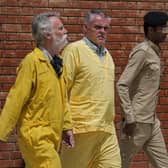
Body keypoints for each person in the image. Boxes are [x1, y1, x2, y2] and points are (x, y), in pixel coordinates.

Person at [0, 12, 74, 168]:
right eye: (60, 28)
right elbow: (16, 98)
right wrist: (2, 132)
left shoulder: (58, 63)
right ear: (47, 34)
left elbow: (63, 99)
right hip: (35, 135)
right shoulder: (31, 62)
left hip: (52, 135)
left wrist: (66, 127)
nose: (65, 31)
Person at [61, 9, 121, 168]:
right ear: (85, 28)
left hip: (107, 130)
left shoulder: (108, 55)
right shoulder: (74, 50)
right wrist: (65, 125)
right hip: (81, 129)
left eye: (105, 28)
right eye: (97, 27)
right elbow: (61, 90)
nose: (102, 32)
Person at [117, 11, 168, 168]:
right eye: (162, 28)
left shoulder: (154, 52)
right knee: (120, 164)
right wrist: (130, 118)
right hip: (137, 123)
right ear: (150, 30)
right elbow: (122, 84)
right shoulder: (142, 52)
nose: (165, 32)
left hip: (152, 122)